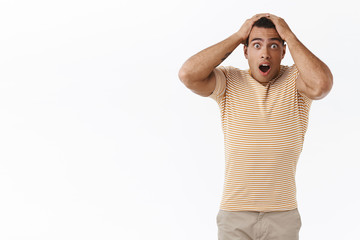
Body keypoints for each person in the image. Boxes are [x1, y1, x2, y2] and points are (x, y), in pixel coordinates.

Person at [178, 13, 333, 240]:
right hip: (235, 215)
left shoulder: (296, 80)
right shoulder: (229, 81)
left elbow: (322, 85)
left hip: (283, 216)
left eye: (273, 45)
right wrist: (238, 36)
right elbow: (187, 74)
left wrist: (289, 35)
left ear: (282, 52)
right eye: (257, 45)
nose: (265, 53)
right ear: (245, 51)